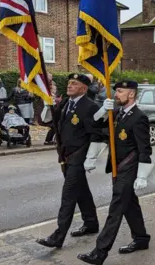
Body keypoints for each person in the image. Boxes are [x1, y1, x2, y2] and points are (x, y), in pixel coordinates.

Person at [77, 81, 153, 265]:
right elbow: (93, 126)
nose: (115, 94)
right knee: (129, 204)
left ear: (131, 94)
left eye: (120, 91)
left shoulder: (139, 117)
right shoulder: (118, 113)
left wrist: (142, 175)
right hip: (117, 167)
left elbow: (145, 148)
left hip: (129, 167)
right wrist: (103, 110)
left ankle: (100, 252)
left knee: (116, 208)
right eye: (116, 91)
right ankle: (141, 239)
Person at [36, 73, 104, 249]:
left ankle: (58, 237)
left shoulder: (90, 107)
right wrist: (47, 103)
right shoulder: (66, 103)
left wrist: (91, 158)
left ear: (84, 88)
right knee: (81, 190)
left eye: (74, 84)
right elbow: (47, 120)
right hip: (65, 155)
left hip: (78, 157)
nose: (69, 86)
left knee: (68, 195)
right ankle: (91, 223)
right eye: (69, 83)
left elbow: (97, 134)